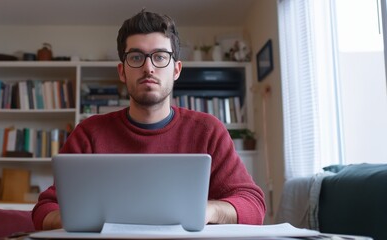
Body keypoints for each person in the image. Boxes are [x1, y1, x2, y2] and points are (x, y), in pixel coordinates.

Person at [32, 10, 266, 230]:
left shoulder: (208, 130)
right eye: (136, 57)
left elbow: (254, 206)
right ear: (122, 71)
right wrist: (79, 218)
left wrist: (208, 210)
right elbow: (44, 209)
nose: (148, 67)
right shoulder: (88, 133)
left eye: (160, 57)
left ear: (176, 69)